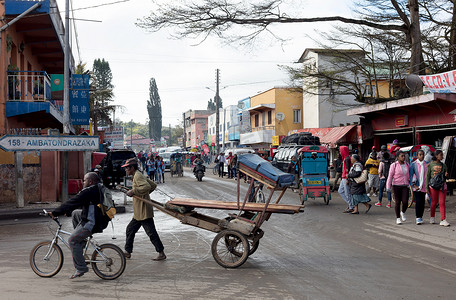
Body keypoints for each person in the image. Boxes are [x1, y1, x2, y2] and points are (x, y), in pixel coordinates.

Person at [49, 172, 105, 279]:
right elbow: (80, 203)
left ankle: (81, 268)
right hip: (98, 217)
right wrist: (69, 211)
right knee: (75, 214)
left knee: (72, 241)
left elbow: (73, 201)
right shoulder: (97, 188)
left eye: (84, 180)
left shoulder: (88, 191)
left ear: (90, 181)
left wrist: (55, 212)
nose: (83, 182)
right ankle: (82, 241)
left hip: (91, 222)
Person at [122, 158, 166, 260]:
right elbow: (153, 185)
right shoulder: (137, 175)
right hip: (139, 212)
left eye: (127, 168)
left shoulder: (137, 176)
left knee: (151, 233)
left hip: (143, 211)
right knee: (130, 229)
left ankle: (161, 253)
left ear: (132, 168)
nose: (126, 170)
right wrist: (143, 194)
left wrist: (134, 191)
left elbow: (146, 186)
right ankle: (127, 251)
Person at [426, 150, 450, 227]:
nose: (442, 156)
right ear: (436, 156)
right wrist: (426, 188)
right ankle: (432, 217)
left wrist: (446, 175)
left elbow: (446, 176)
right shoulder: (430, 165)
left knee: (442, 202)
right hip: (433, 186)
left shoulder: (444, 165)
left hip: (442, 186)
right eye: (440, 155)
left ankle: (443, 219)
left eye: (442, 155)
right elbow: (428, 177)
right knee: (433, 202)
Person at [386, 151, 410, 225]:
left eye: (404, 156)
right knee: (397, 202)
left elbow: (411, 174)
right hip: (396, 185)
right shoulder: (394, 165)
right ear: (397, 157)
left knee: (405, 201)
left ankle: (402, 212)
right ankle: (398, 218)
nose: (403, 157)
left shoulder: (407, 164)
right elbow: (390, 176)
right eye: (402, 156)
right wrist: (388, 186)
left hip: (405, 185)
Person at [410, 149, 428, 225]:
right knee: (418, 201)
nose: (422, 156)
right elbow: (411, 175)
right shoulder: (413, 164)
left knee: (423, 202)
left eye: (423, 154)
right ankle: (418, 217)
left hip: (424, 186)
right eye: (420, 154)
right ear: (417, 156)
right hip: (416, 186)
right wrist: (414, 185)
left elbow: (427, 175)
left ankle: (421, 216)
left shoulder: (426, 164)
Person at [338, 146, 354, 213]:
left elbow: (348, 169)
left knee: (347, 193)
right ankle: (351, 204)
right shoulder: (345, 158)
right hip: (343, 177)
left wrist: (347, 179)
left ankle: (351, 206)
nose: (340, 152)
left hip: (346, 177)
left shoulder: (347, 159)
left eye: (340, 151)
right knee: (340, 191)